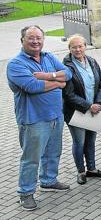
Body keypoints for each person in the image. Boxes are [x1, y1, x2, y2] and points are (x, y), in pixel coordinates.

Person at [7, 25, 72, 211]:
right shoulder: (16, 64)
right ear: (22, 41)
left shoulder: (48, 56)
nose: (35, 41)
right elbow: (32, 86)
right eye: (31, 38)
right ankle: (25, 193)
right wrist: (58, 83)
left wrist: (48, 76)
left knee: (53, 152)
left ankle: (48, 181)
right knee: (31, 158)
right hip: (33, 119)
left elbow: (68, 73)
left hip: (55, 116)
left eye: (39, 38)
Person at [62, 34, 101, 185]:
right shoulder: (66, 66)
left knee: (91, 140)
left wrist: (98, 103)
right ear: (69, 49)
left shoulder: (92, 62)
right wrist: (89, 106)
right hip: (76, 111)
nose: (77, 49)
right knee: (79, 142)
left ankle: (92, 169)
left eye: (80, 46)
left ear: (85, 46)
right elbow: (68, 95)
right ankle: (81, 171)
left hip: (94, 109)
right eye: (74, 47)